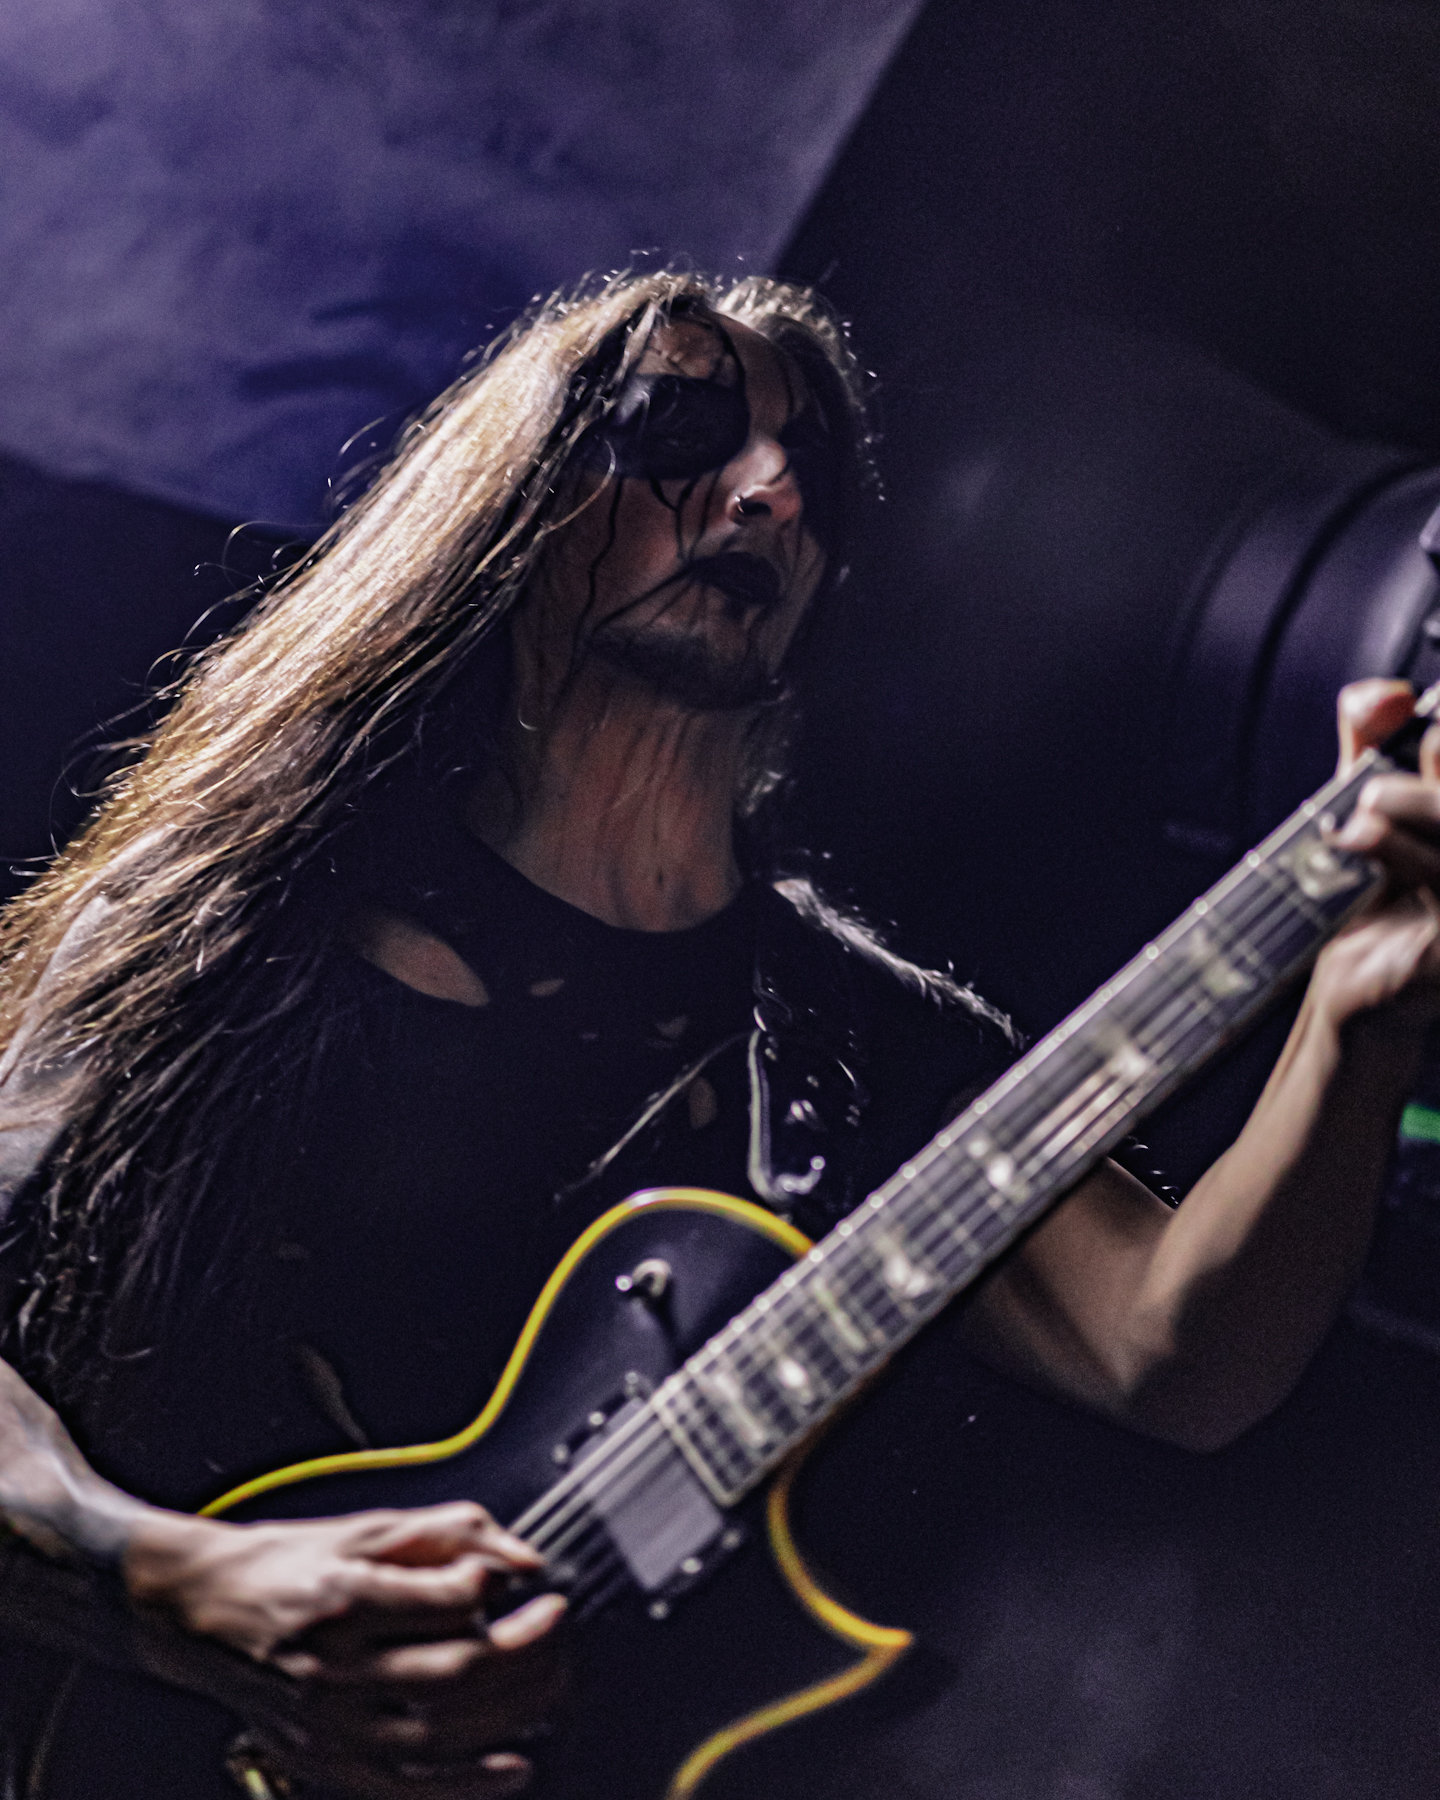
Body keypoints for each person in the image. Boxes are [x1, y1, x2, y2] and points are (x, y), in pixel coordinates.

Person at [0, 269, 1437, 1800]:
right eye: (680, 429)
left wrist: (1353, 1018)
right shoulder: (233, 924)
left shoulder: (849, 1039)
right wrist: (175, 1591)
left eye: (810, 467)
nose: (771, 492)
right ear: (519, 500)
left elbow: (1175, 1353)